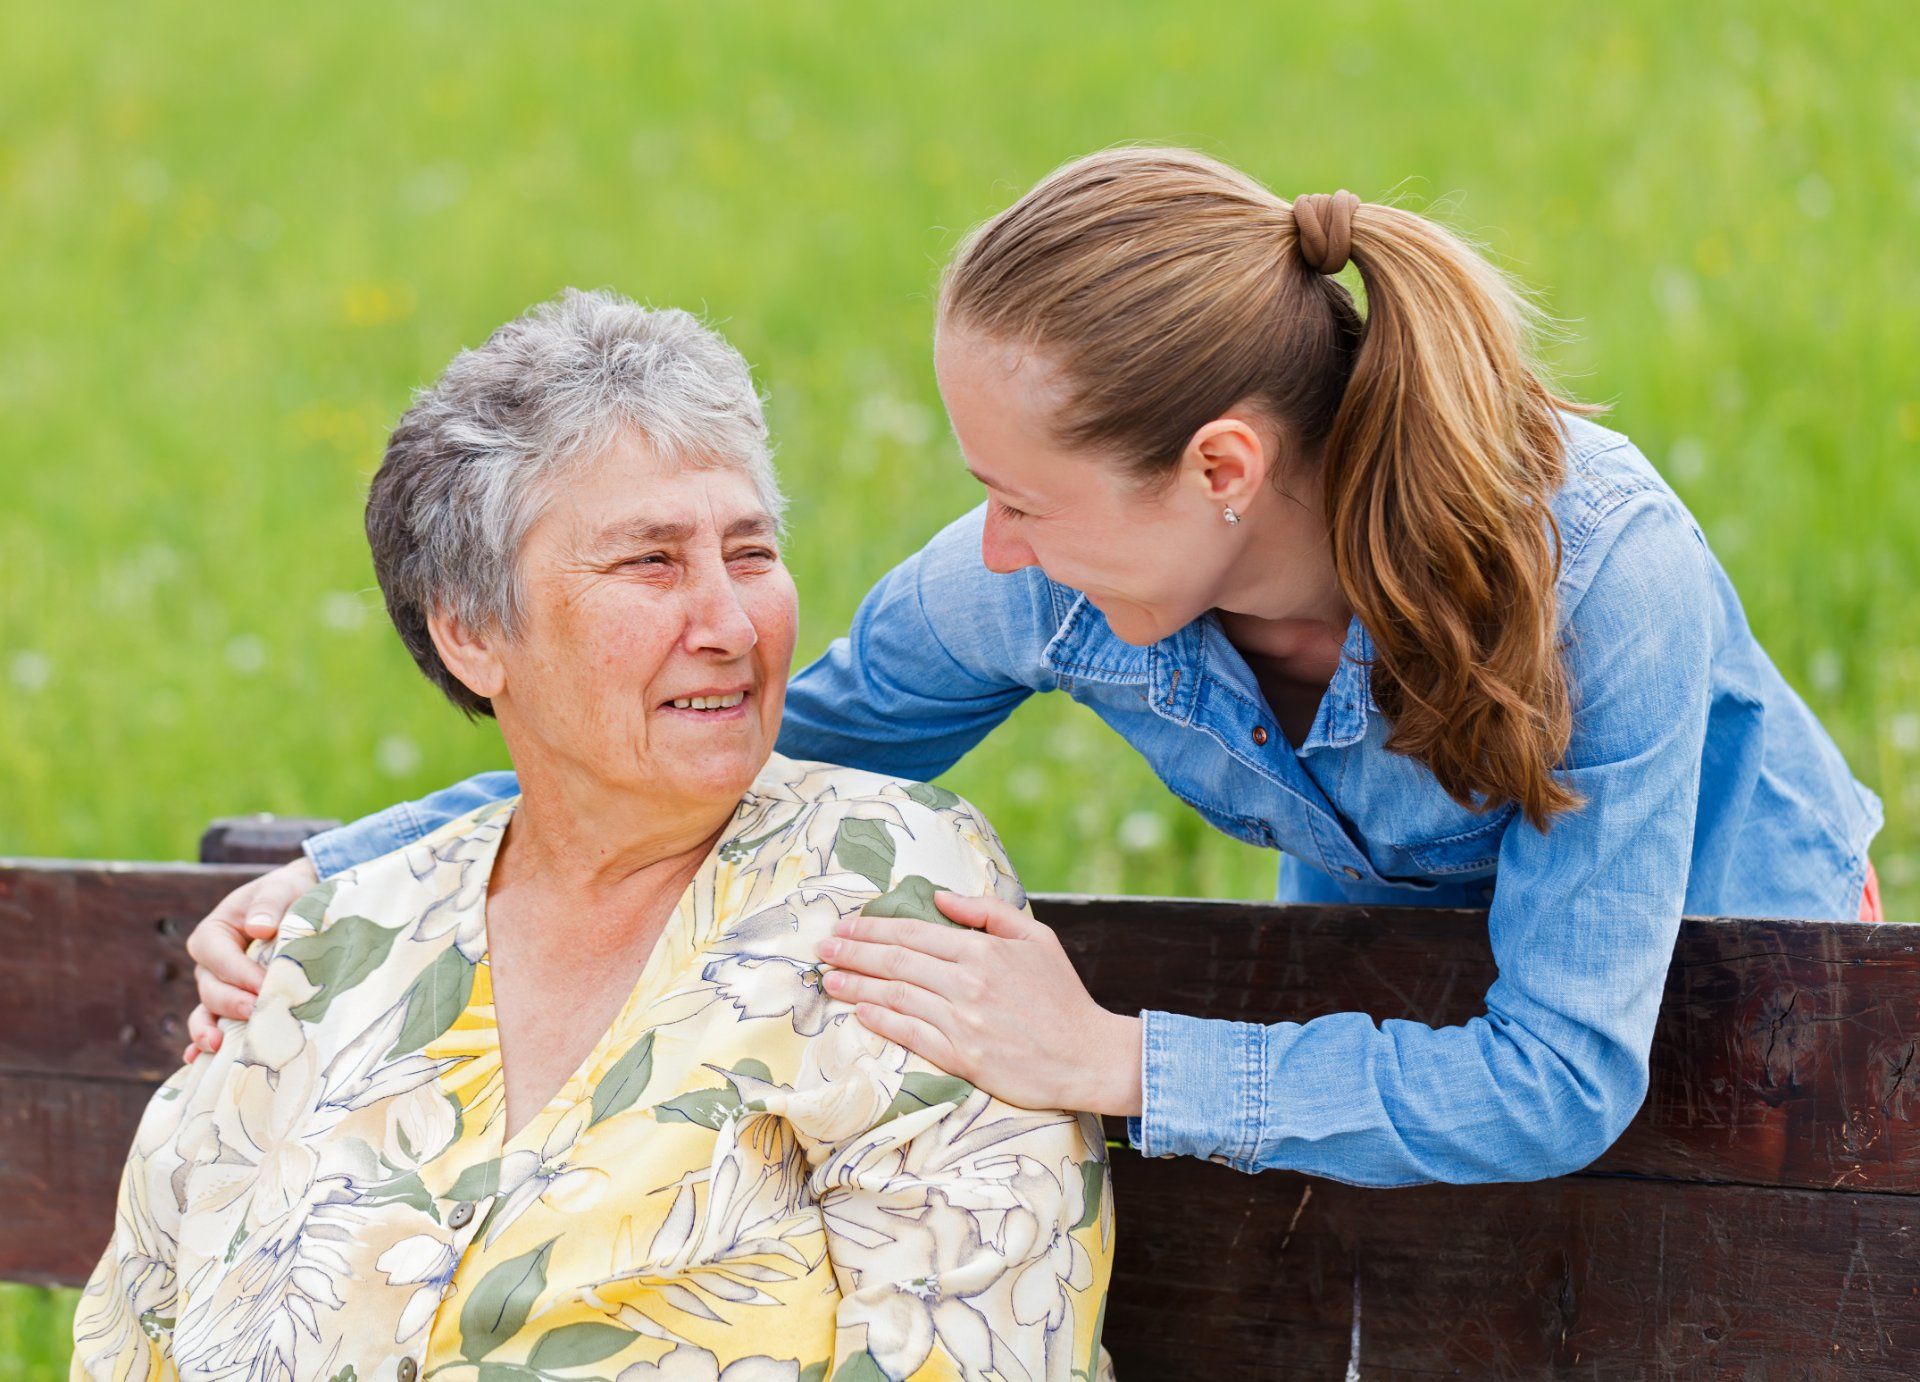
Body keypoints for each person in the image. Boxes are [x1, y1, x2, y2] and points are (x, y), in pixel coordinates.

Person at [182, 147, 1883, 1191]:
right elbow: (729, 750)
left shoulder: (1595, 574)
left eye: (1020, 499)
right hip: (1389, 994)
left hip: (1757, 1004)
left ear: (1220, 474)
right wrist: (354, 867)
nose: (987, 549)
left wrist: (1115, 1058)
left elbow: (1564, 1076)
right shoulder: (1045, 585)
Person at [74, 291, 1113, 1381]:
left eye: (750, 552)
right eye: (651, 563)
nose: (728, 624)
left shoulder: (880, 884)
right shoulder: (330, 950)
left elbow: (980, 1341)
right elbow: (137, 1330)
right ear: (474, 632)